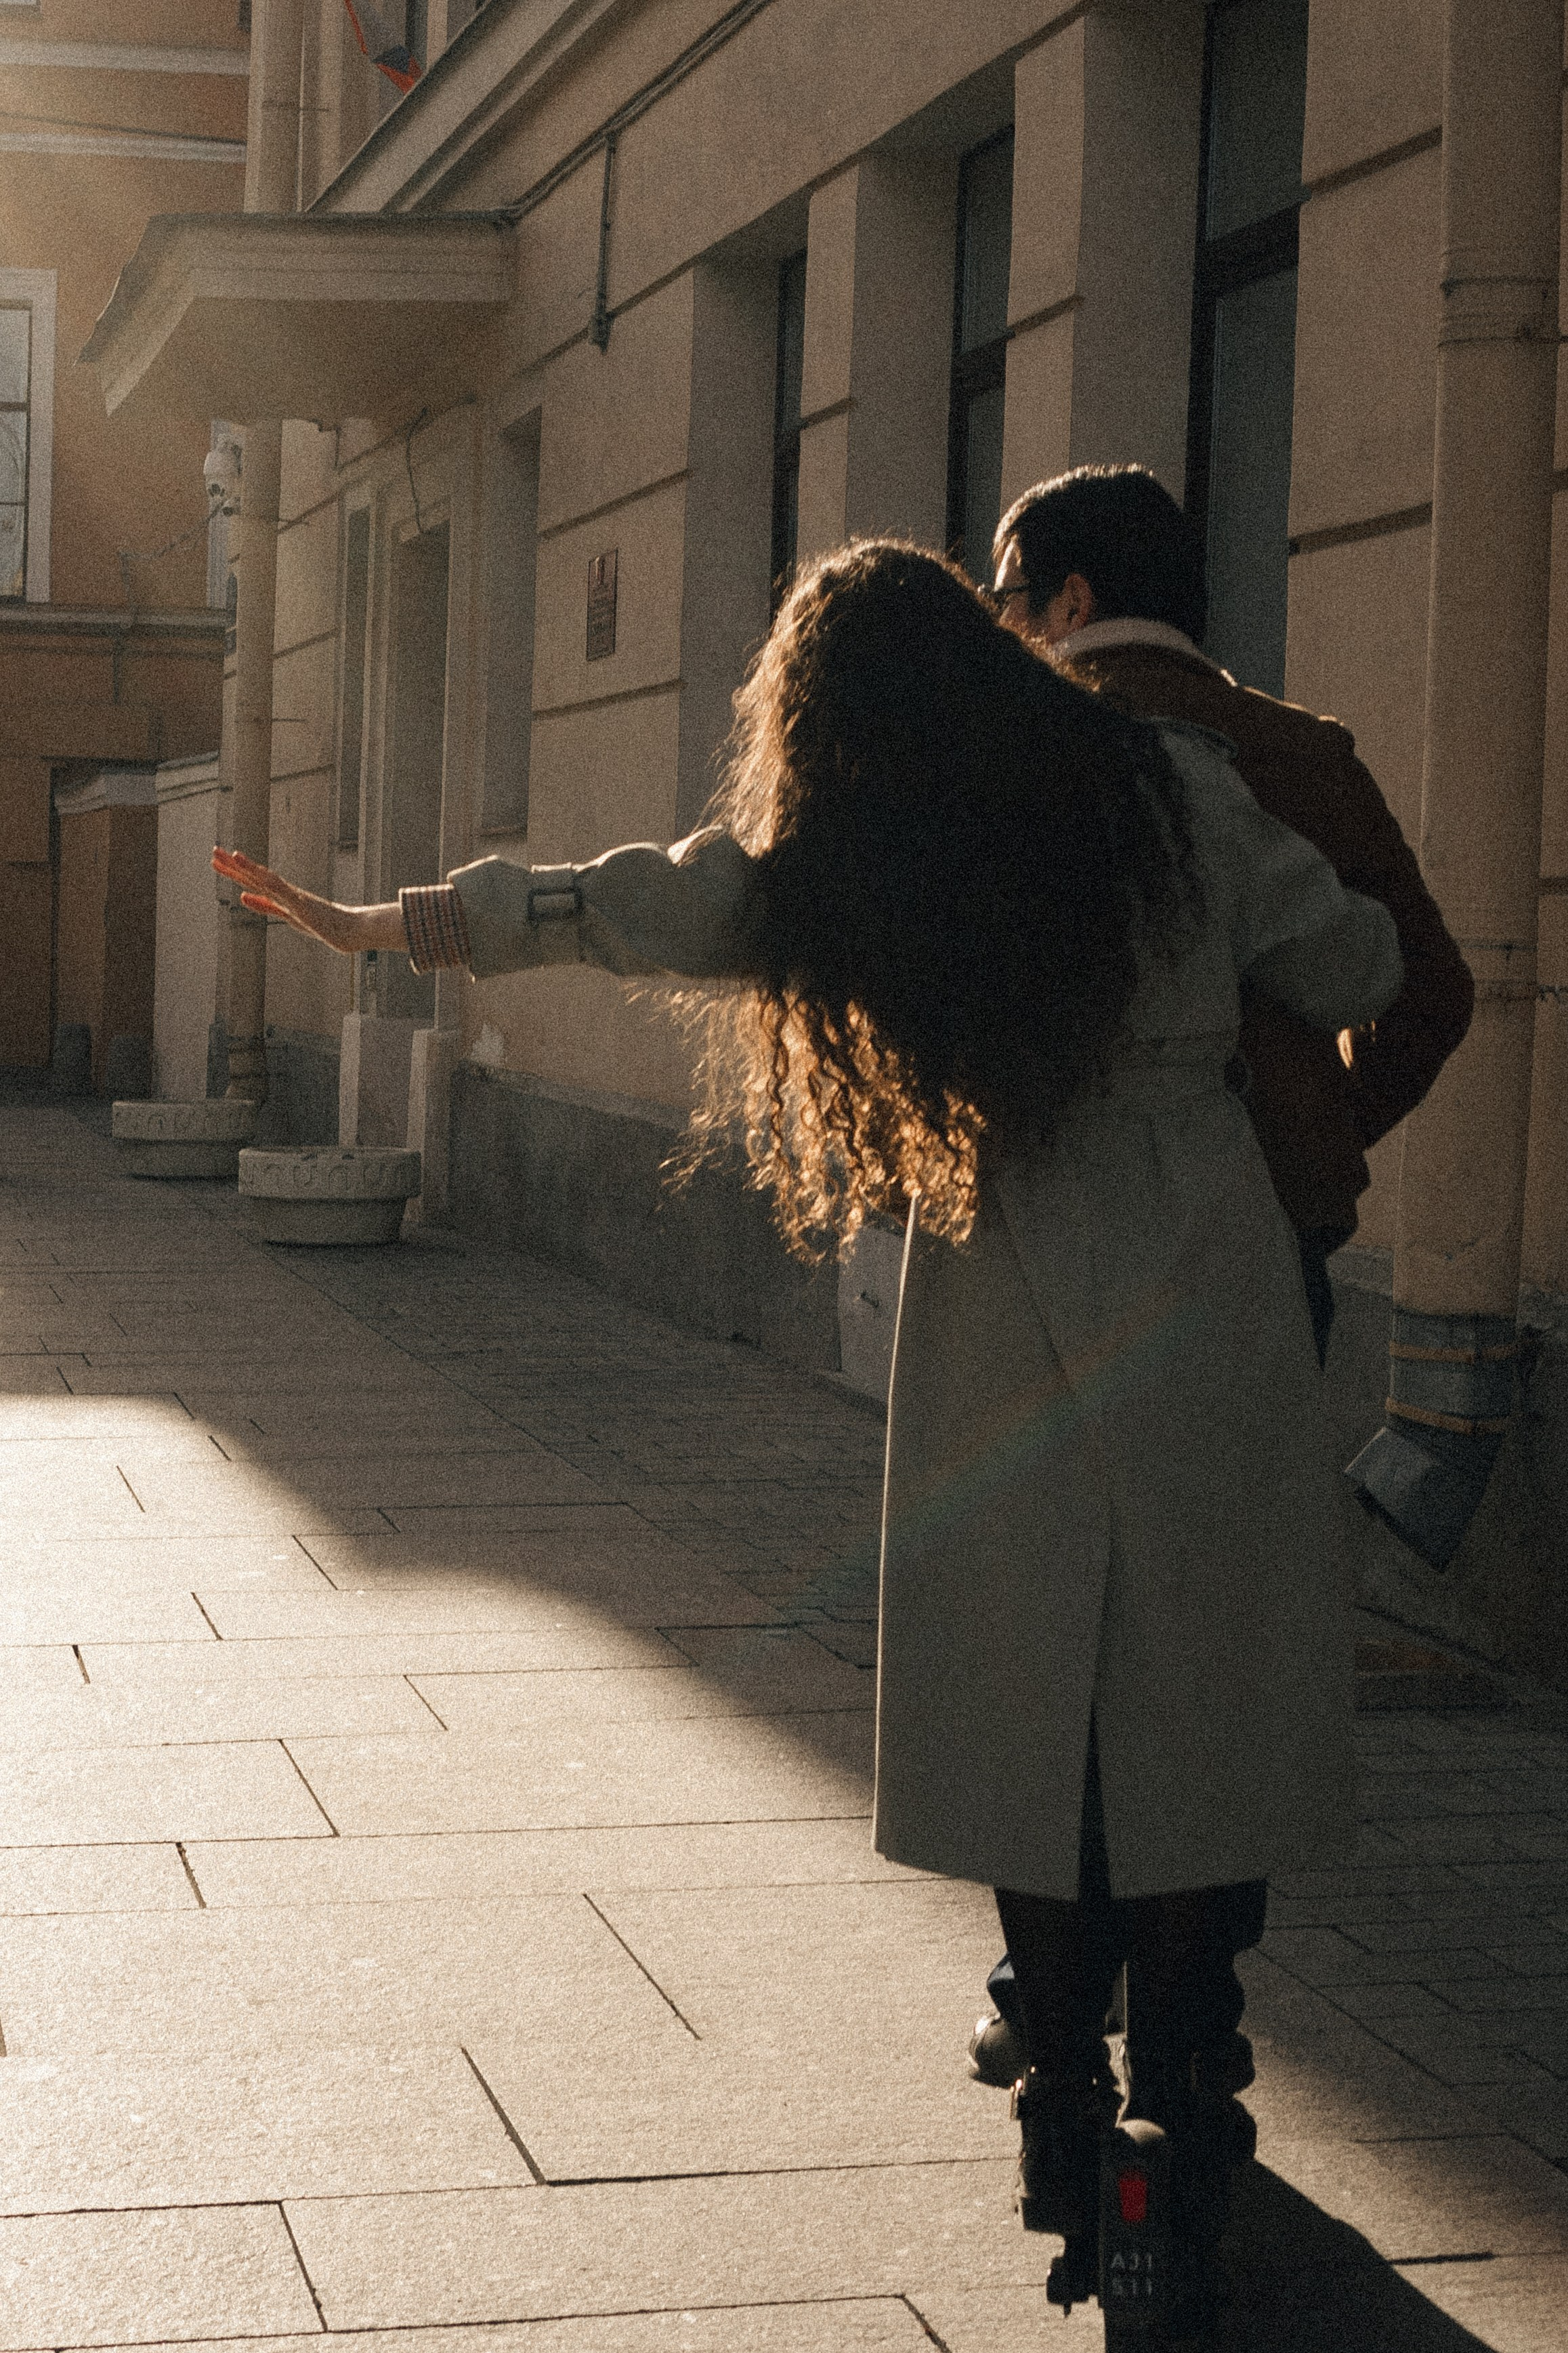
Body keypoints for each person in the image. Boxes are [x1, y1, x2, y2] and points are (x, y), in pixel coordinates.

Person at [215, 541, 1402, 2333]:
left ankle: (1062, 2092)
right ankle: (1187, 2073)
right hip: (1195, 1284)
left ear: (825, 724)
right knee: (1189, 1699)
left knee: (1021, 1690)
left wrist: (391, 922)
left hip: (997, 1270)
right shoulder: (1167, 787)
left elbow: (634, 903)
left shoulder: (863, 852)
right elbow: (1357, 952)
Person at [969, 463, 1475, 2129]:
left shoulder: (1017, 754)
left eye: (1004, 589)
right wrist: (1313, 1145)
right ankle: (1201, 2004)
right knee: (1225, 1641)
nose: (1000, 621)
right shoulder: (1300, 757)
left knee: (1047, 1623)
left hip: (1041, 1258)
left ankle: (1048, 1995)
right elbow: (1430, 987)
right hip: (1262, 1259)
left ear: (1063, 594)